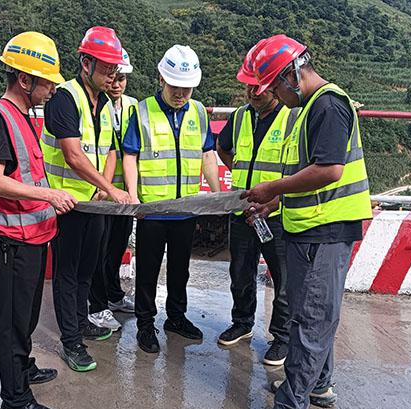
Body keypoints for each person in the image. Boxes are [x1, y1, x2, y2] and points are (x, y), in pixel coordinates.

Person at [241, 35, 372, 409]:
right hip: (307, 226)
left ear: (292, 75)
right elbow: (305, 171)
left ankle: (291, 407)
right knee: (310, 311)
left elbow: (329, 170)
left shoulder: (327, 106)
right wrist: (275, 201)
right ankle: (319, 383)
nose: (274, 96)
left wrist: (272, 187)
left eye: (273, 87)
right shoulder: (306, 109)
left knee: (311, 318)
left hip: (326, 229)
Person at [0, 32, 76, 409]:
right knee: (12, 322)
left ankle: (23, 368)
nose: (52, 90)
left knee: (27, 315)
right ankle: (14, 399)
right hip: (8, 243)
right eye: (47, 82)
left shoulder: (24, 117)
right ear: (24, 79)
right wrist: (50, 195)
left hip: (29, 238)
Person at [40, 26, 131, 372]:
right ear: (86, 63)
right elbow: (73, 155)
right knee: (67, 273)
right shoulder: (64, 98)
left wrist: (103, 188)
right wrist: (111, 189)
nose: (112, 76)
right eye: (106, 68)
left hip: (93, 202)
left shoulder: (106, 103)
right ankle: (71, 342)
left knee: (86, 269)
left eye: (115, 69)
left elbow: (110, 150)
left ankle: (81, 321)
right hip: (66, 203)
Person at [122, 44, 221, 354]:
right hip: (153, 210)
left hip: (186, 209)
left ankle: (176, 318)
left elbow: (207, 154)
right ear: (161, 79)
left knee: (180, 269)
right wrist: (134, 198)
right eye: (175, 86)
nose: (181, 94)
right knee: (148, 270)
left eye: (187, 88)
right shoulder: (142, 111)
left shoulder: (198, 112)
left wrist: (217, 195)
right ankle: (145, 323)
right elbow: (130, 155)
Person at [215, 42, 298, 366]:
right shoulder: (239, 118)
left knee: (283, 278)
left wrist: (277, 198)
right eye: (248, 86)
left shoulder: (291, 119)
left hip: (276, 213)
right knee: (240, 271)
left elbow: (302, 169)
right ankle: (242, 322)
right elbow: (224, 148)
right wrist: (240, 174)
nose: (252, 92)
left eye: (259, 87)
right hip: (243, 211)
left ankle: (282, 337)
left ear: (274, 86)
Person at [88, 48, 139, 332]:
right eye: (114, 77)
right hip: (100, 193)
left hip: (124, 194)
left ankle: (114, 294)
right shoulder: (97, 104)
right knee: (98, 249)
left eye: (122, 78)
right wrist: (102, 186)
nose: (117, 83)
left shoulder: (134, 107)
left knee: (118, 246)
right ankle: (97, 304)